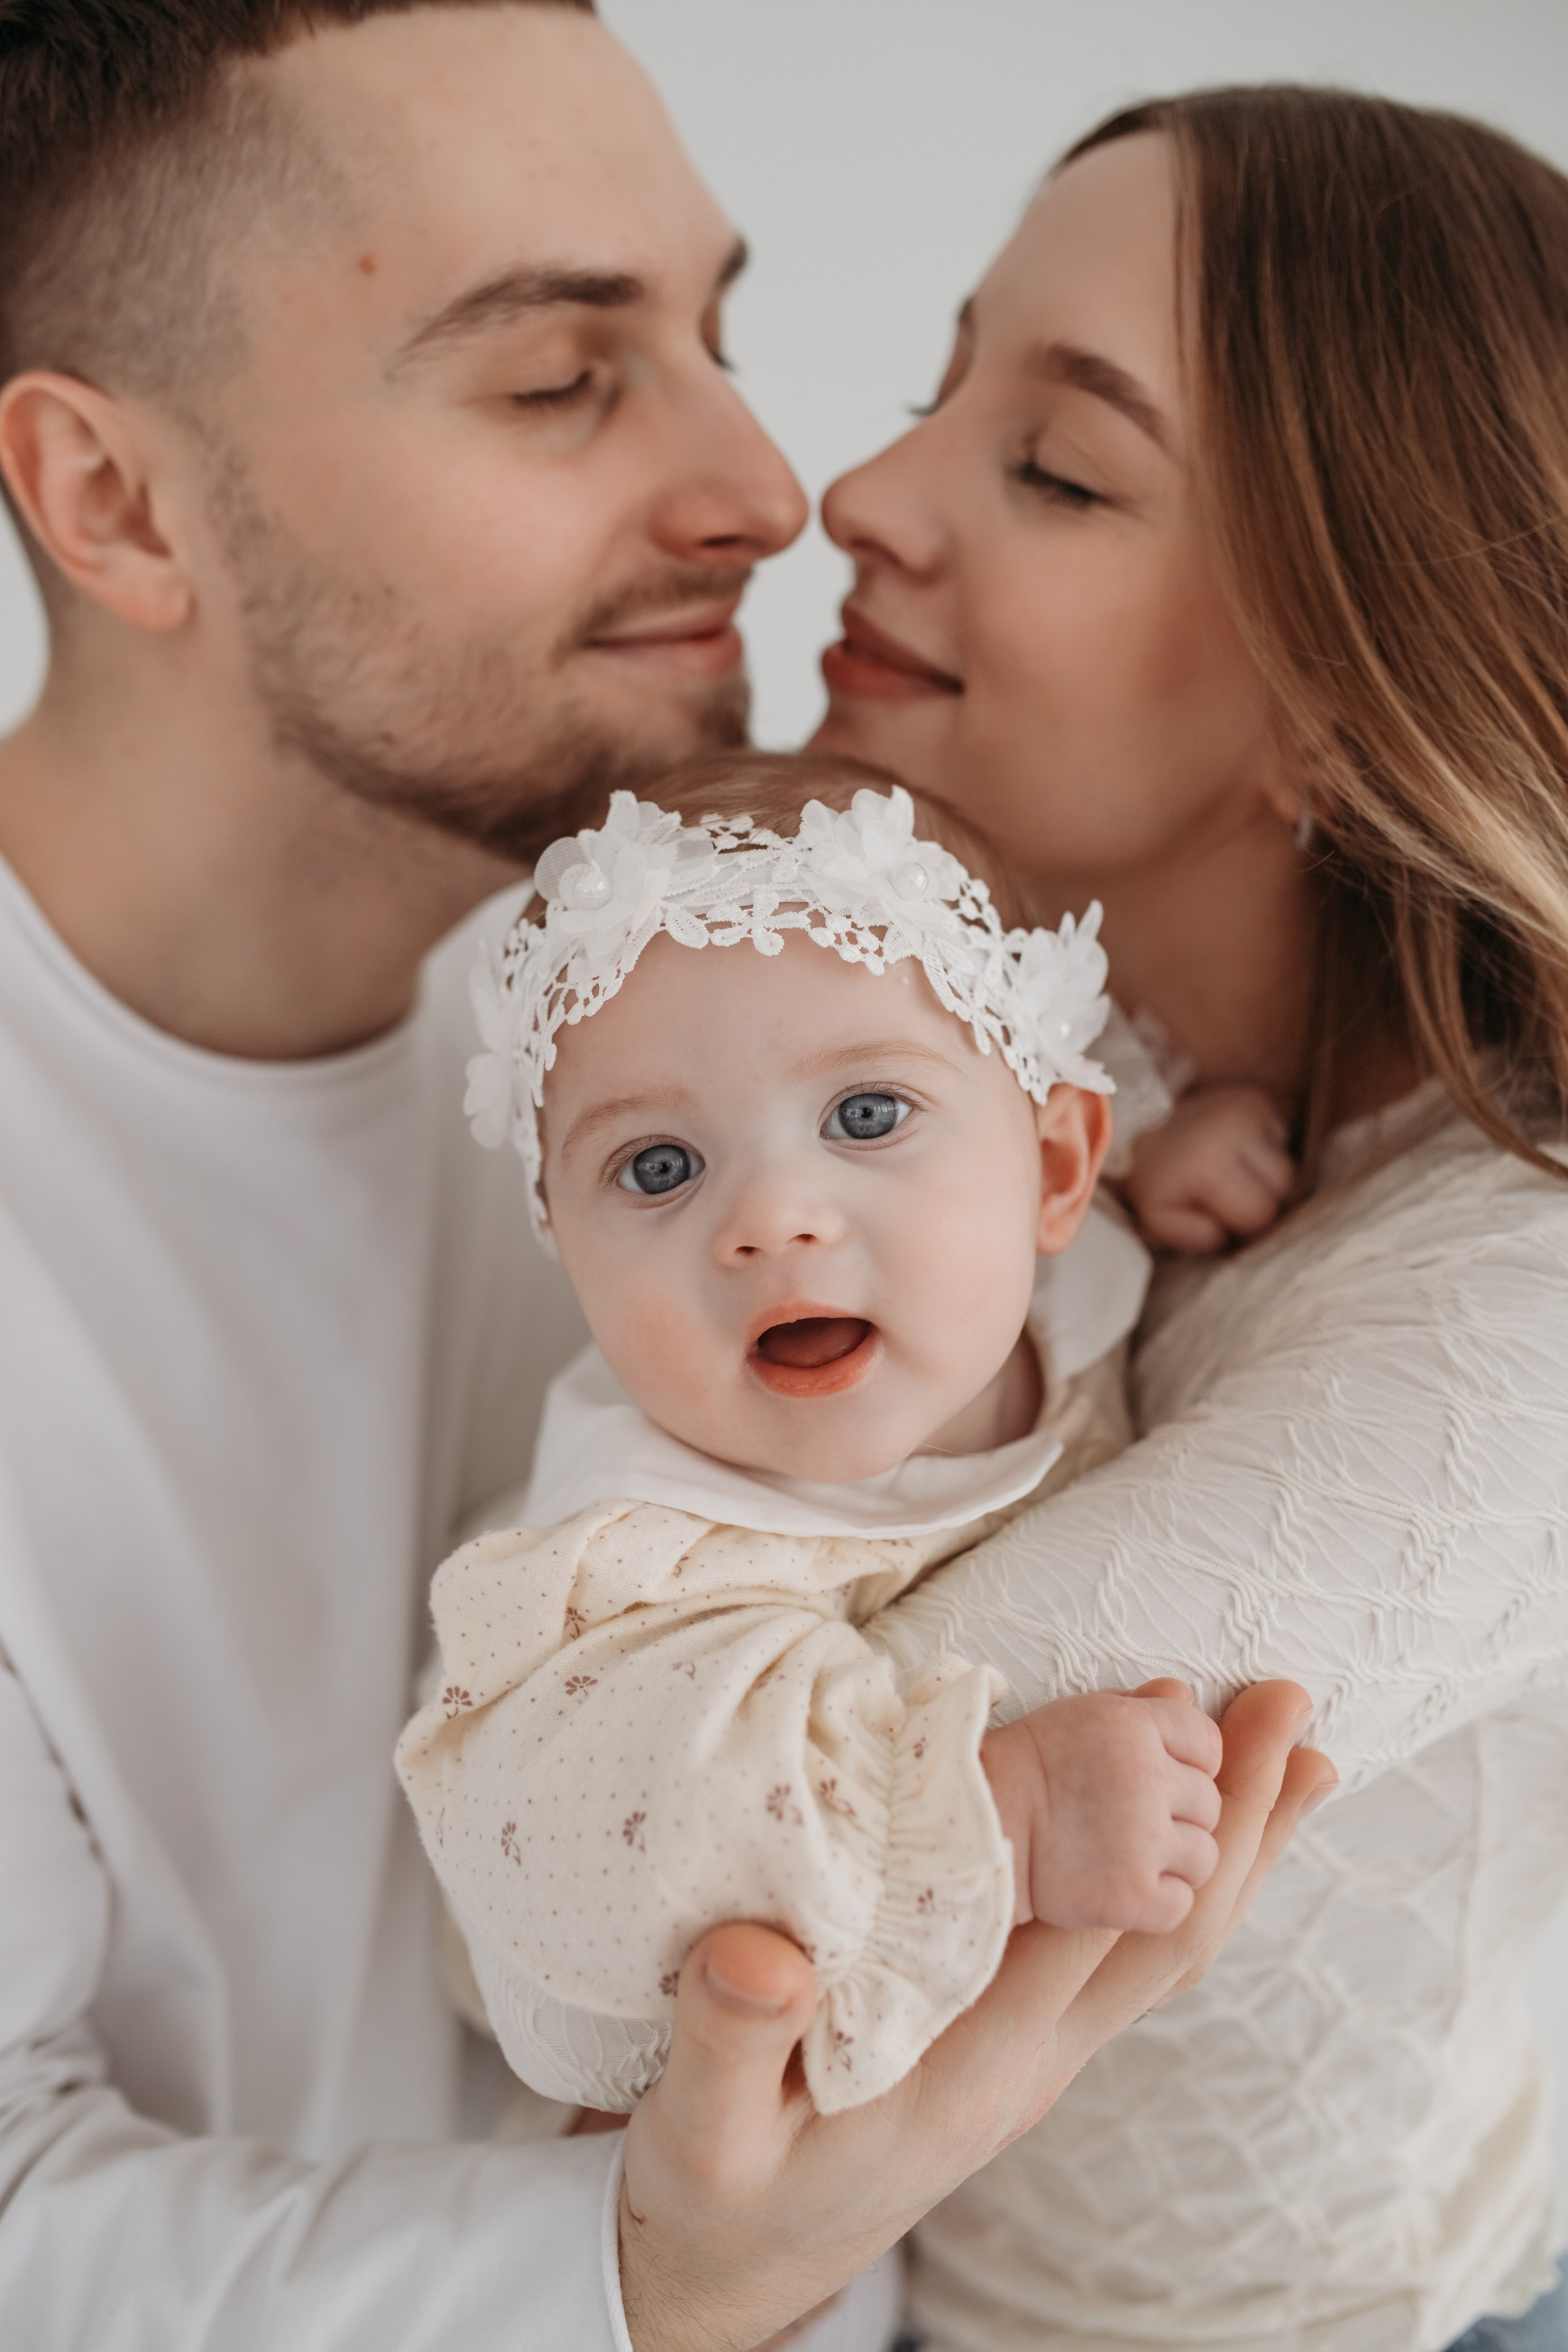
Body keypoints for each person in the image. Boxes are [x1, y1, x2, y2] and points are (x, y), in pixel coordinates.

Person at [0, 2, 1328, 2343]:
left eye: (713, 330)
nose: (773, 482)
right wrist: (641, 2277)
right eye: (556, 377)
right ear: (116, 504)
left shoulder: (729, 1010)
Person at [813, 83, 1568, 2352]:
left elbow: (650, 1872)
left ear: (1341, 696)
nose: (855, 495)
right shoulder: (1036, 1076)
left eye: (1054, 465)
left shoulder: (1505, 1330)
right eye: (933, 392)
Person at [396, 752, 1265, 2121]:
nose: (769, 1218)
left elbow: (1028, 1139)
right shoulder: (637, 1564)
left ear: (1051, 1169)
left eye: (864, 1117)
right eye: (659, 1168)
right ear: (564, 1249)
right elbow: (629, 1836)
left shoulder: (1046, 1247)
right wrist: (999, 1811)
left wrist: (1163, 1162)